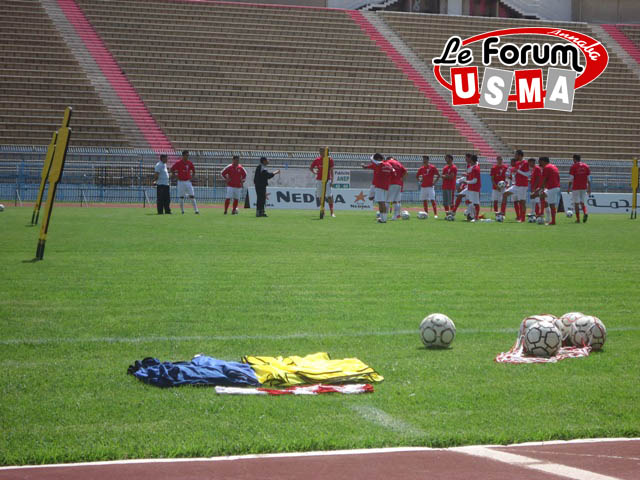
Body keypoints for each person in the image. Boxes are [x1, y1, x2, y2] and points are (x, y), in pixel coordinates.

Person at [361, 153, 394, 223]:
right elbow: (393, 173)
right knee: (382, 202)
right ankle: (382, 218)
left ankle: (383, 219)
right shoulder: (389, 165)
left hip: (379, 185)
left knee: (381, 202)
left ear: (378, 159)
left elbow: (373, 162)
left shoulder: (379, 165)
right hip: (386, 186)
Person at [170, 150, 199, 214]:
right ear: (183, 155)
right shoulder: (178, 163)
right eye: (186, 155)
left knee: (192, 195)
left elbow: (194, 171)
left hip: (188, 182)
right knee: (181, 196)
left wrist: (192, 178)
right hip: (180, 182)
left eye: (188, 155)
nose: (187, 156)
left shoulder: (190, 163)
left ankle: (196, 210)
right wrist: (175, 176)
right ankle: (182, 211)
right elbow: (172, 169)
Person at [309, 148, 335, 217]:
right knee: (320, 196)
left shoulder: (330, 160)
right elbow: (311, 167)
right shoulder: (317, 160)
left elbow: (332, 171)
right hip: (319, 180)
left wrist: (332, 181)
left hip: (327, 180)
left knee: (329, 196)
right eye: (320, 151)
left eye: (322, 151)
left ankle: (332, 212)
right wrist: (315, 172)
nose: (320, 153)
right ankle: (323, 210)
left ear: (325, 152)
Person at [568, 154, 591, 223]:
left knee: (576, 204)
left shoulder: (573, 166)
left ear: (574, 159)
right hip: (584, 187)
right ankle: (585, 212)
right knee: (582, 202)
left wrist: (568, 188)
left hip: (576, 187)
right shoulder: (586, 166)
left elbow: (571, 179)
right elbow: (589, 179)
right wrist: (589, 188)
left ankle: (578, 219)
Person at [538, 156, 560, 225]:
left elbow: (544, 180)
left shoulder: (546, 168)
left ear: (544, 161)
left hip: (552, 188)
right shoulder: (554, 166)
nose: (539, 163)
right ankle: (548, 218)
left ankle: (551, 220)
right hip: (554, 187)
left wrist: (540, 189)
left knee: (551, 204)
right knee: (544, 198)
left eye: (540, 161)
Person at [386, 155, 407, 220]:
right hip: (399, 184)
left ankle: (384, 216)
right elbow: (406, 172)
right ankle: (395, 216)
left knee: (388, 201)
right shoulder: (399, 163)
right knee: (396, 201)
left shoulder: (388, 162)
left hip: (391, 183)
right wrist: (401, 179)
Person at [513, 149, 530, 222]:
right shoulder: (517, 163)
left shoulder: (525, 163)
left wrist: (518, 171)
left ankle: (522, 218)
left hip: (523, 185)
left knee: (522, 201)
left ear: (520, 155)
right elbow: (517, 173)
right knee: (506, 194)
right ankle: (519, 216)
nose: (515, 156)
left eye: (516, 154)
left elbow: (527, 174)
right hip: (517, 185)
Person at [464, 154, 482, 221]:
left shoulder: (476, 168)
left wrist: (466, 182)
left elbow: (475, 180)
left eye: (470, 159)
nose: (469, 160)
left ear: (472, 160)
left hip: (475, 188)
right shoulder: (473, 167)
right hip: (471, 188)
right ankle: (471, 216)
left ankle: (476, 217)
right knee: (472, 203)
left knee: (476, 203)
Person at [490, 155, 507, 220]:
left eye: (501, 159)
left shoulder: (505, 167)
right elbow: (492, 179)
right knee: (495, 201)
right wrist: (496, 186)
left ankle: (503, 214)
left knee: (503, 200)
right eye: (499, 159)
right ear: (497, 160)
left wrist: (506, 184)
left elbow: (507, 177)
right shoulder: (493, 168)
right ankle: (496, 214)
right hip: (495, 188)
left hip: (503, 187)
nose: (500, 161)